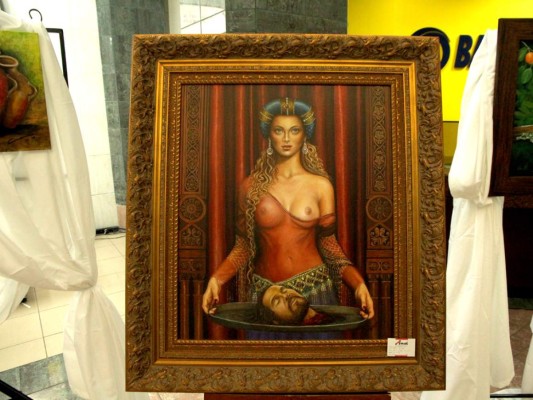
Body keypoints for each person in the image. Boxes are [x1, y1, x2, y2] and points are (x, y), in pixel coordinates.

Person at [202, 97, 374, 328]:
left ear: (304, 136)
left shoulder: (321, 186)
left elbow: (329, 246)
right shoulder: (250, 186)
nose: (286, 138)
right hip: (266, 295)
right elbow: (244, 246)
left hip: (315, 290)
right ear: (269, 135)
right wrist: (217, 280)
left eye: (294, 130)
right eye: (278, 131)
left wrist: (358, 284)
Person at [256, 284, 334, 326]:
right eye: (277, 301)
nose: (285, 296)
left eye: (284, 290)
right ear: (275, 321)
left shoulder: (331, 317)